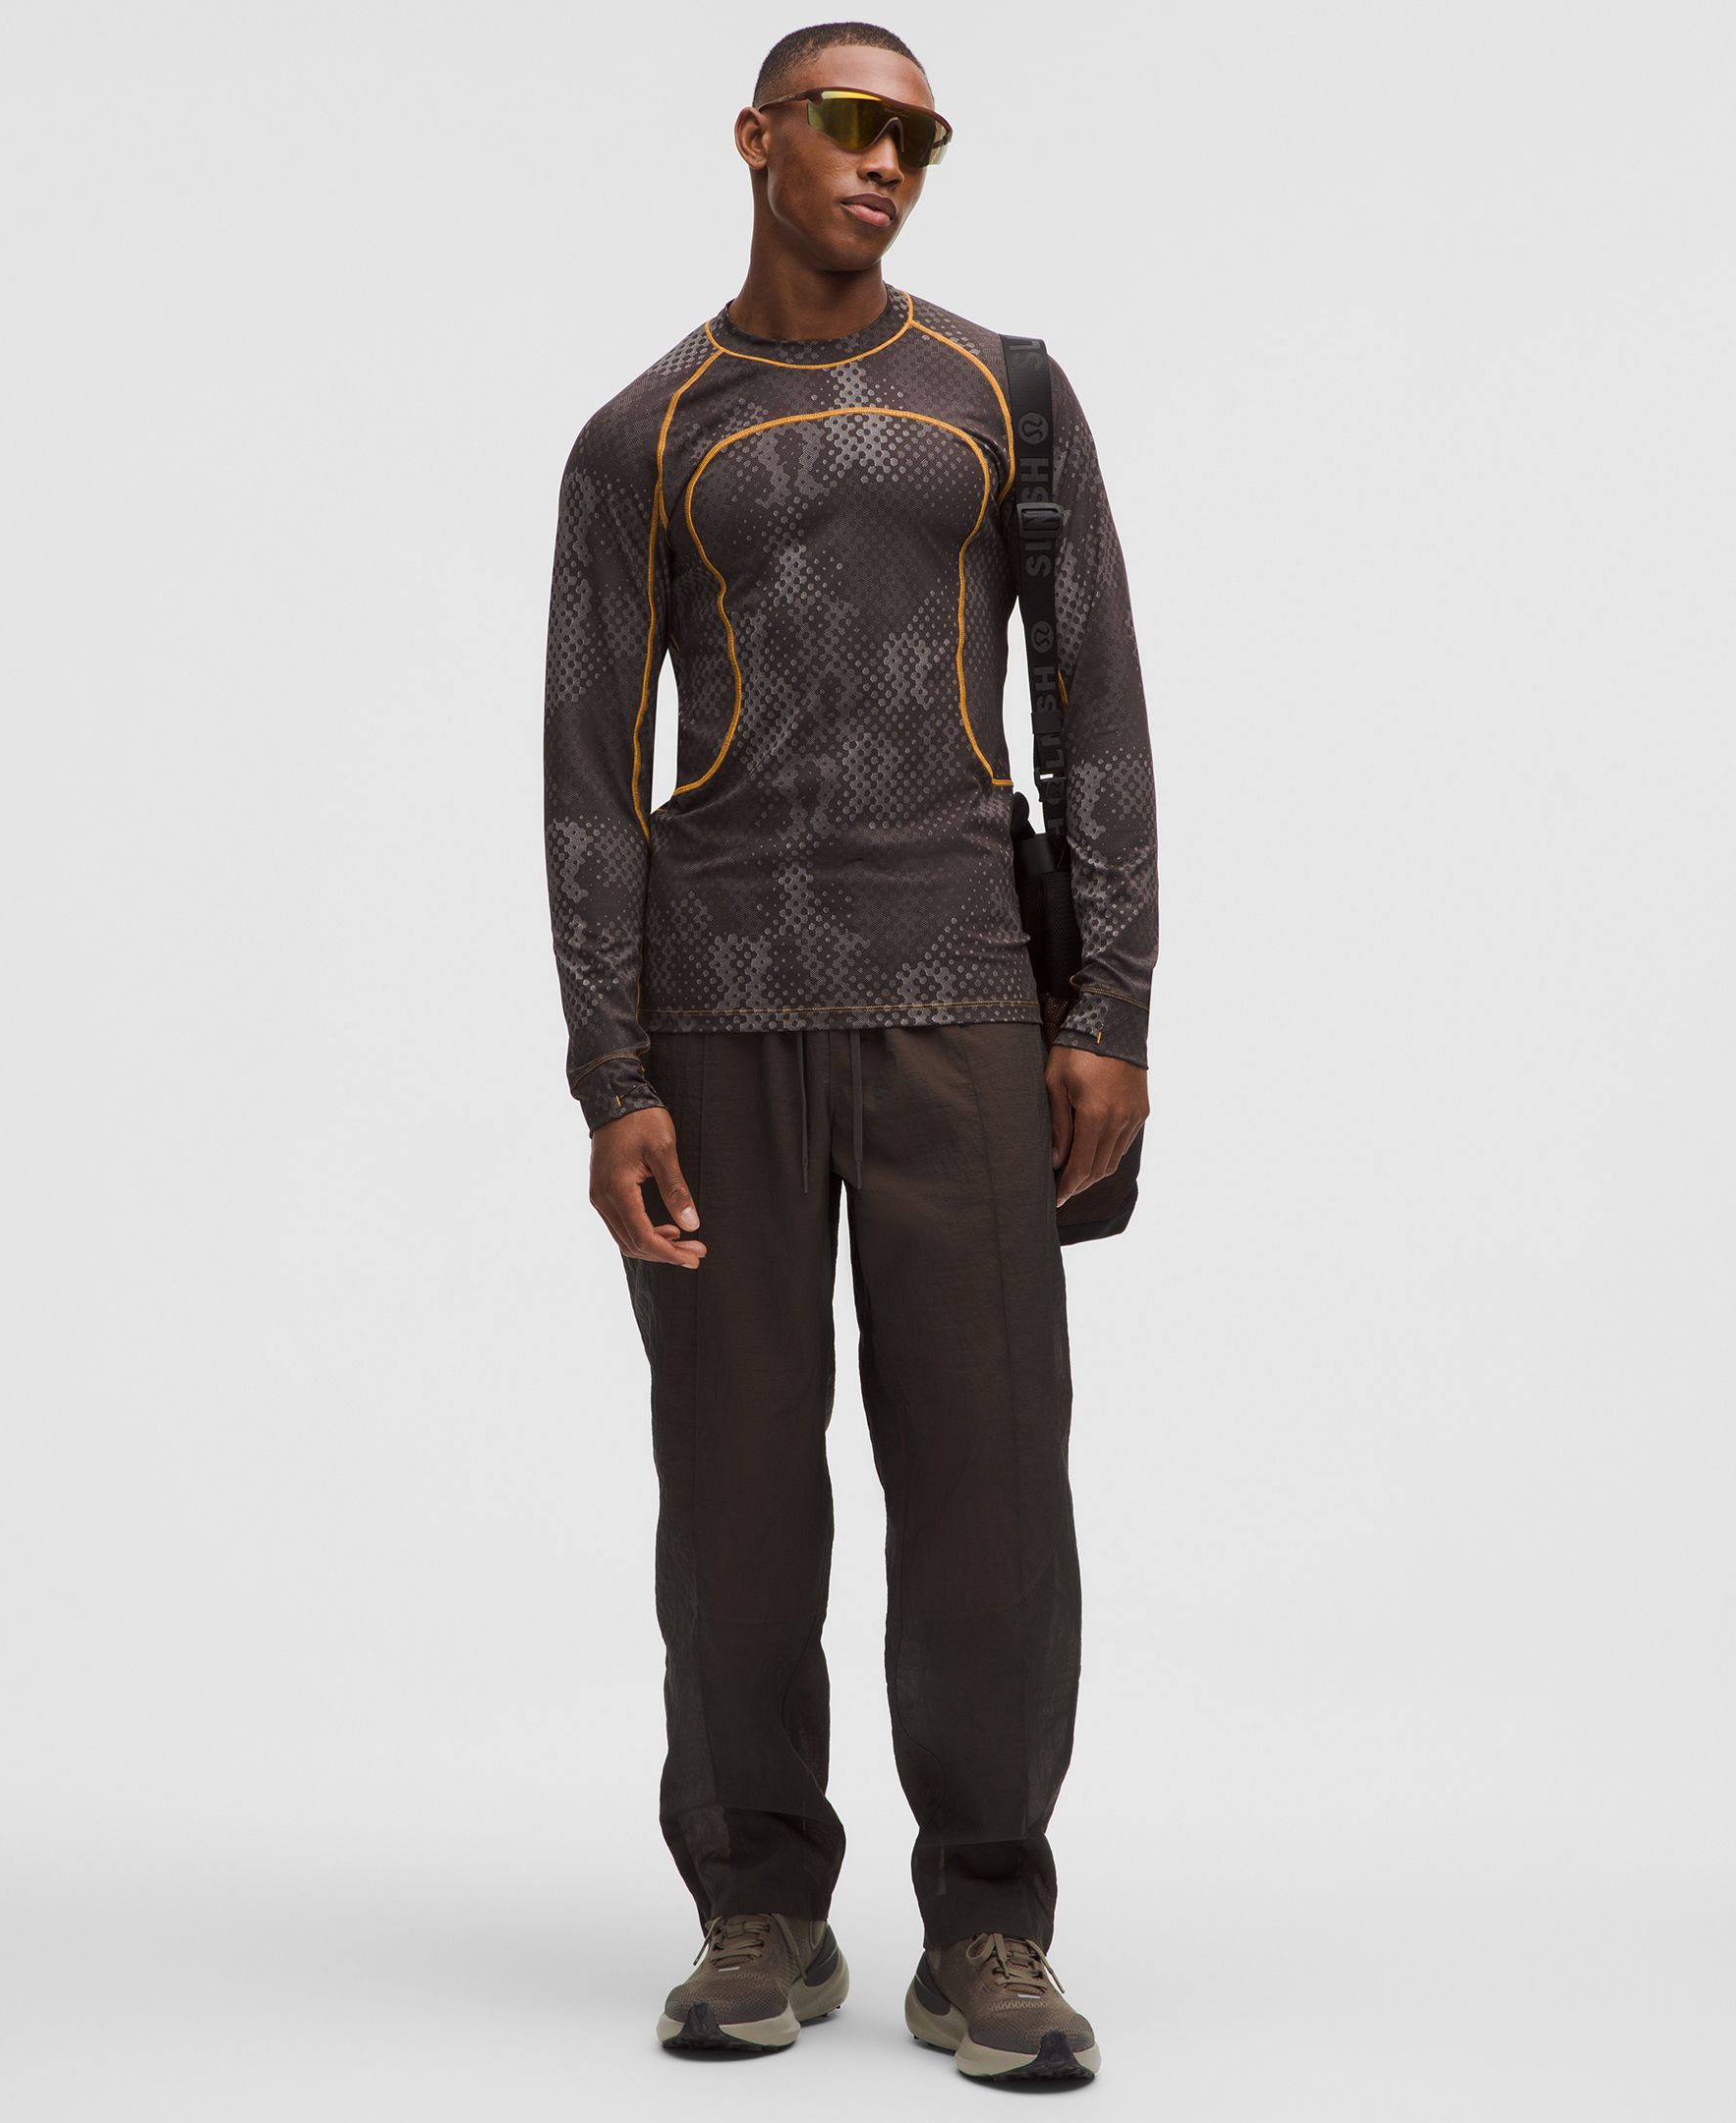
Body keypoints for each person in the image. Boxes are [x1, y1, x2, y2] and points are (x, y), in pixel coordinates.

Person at [542, 18, 1158, 2087]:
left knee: (989, 1483)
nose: (887, 159)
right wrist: (612, 1073)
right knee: (731, 1491)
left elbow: (1094, 713)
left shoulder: (1005, 394)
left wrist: (1110, 1012)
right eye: (852, 121)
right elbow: (587, 778)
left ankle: (988, 1927)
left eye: (921, 134)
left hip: (966, 1000)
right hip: (713, 1010)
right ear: (758, 137)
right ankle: (757, 1910)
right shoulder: (643, 434)